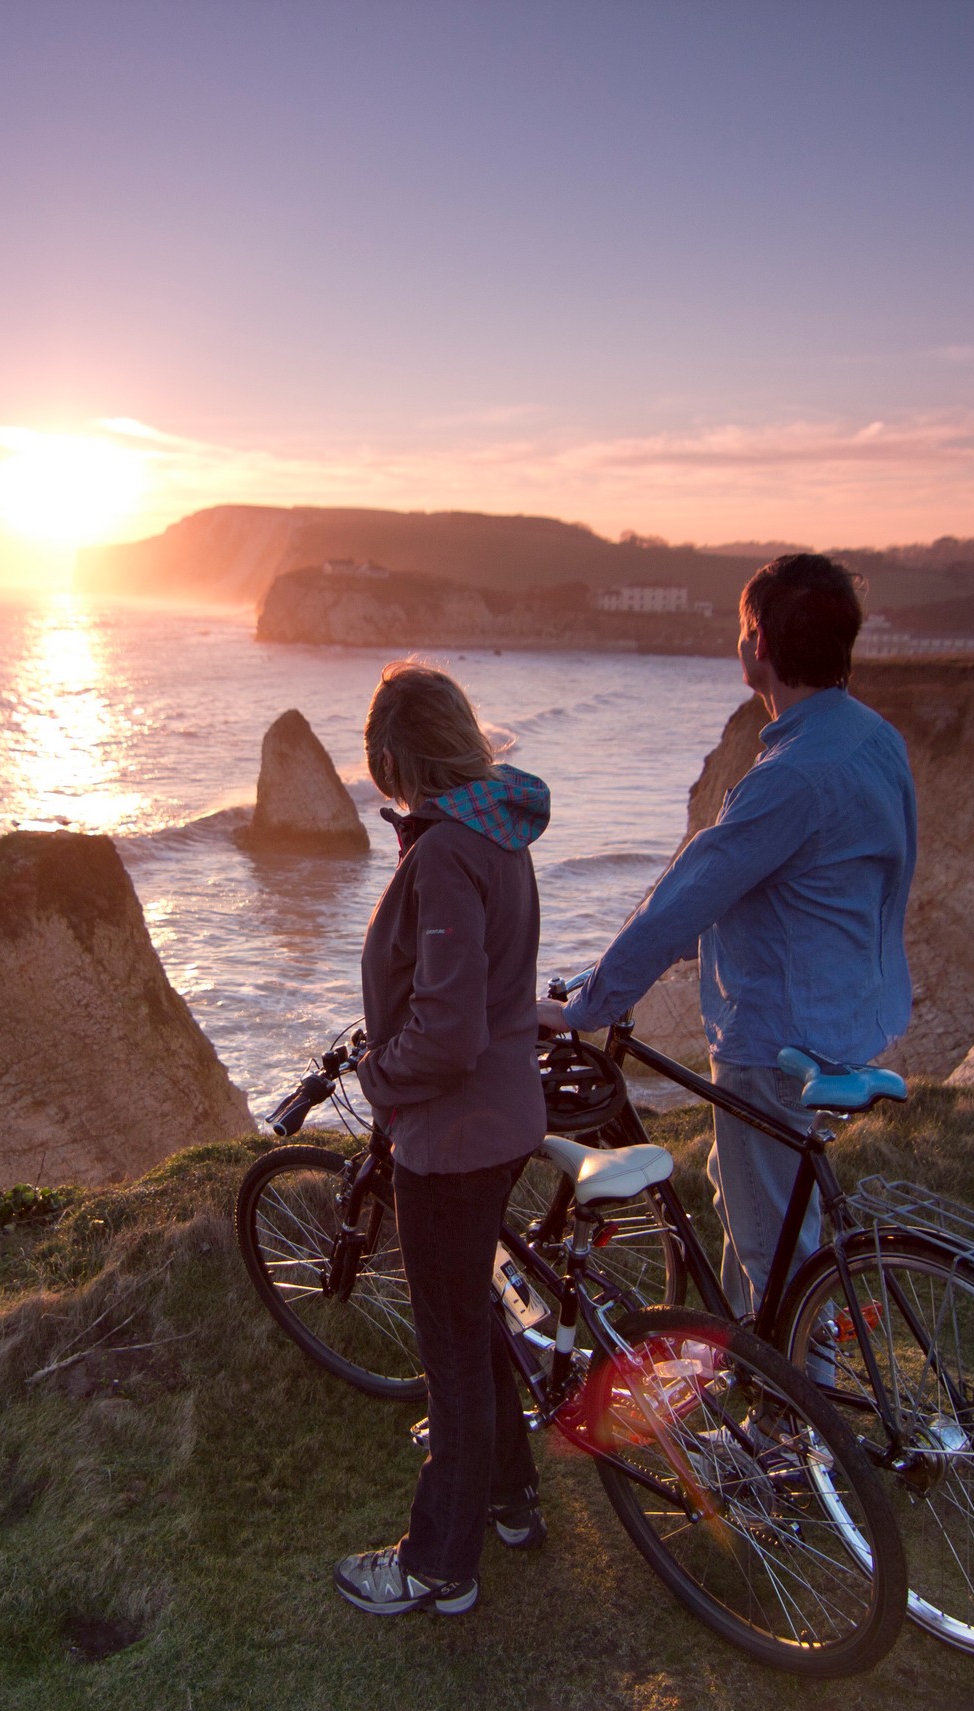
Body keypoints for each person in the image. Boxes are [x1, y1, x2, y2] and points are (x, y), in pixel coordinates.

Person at [542, 554, 916, 1324]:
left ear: (759, 647)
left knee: (771, 1245)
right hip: (851, 1012)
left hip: (778, 1041)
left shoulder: (790, 777)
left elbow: (686, 898)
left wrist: (588, 1006)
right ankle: (749, 1369)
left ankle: (792, 1427)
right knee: (754, 1199)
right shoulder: (875, 739)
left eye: (744, 628)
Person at [334, 661, 552, 1619]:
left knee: (452, 1351)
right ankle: (509, 1500)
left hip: (455, 1138)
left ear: (397, 757)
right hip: (503, 1119)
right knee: (478, 1324)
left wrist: (382, 1079)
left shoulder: (447, 854)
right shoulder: (497, 830)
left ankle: (437, 1566)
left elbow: (450, 1030)